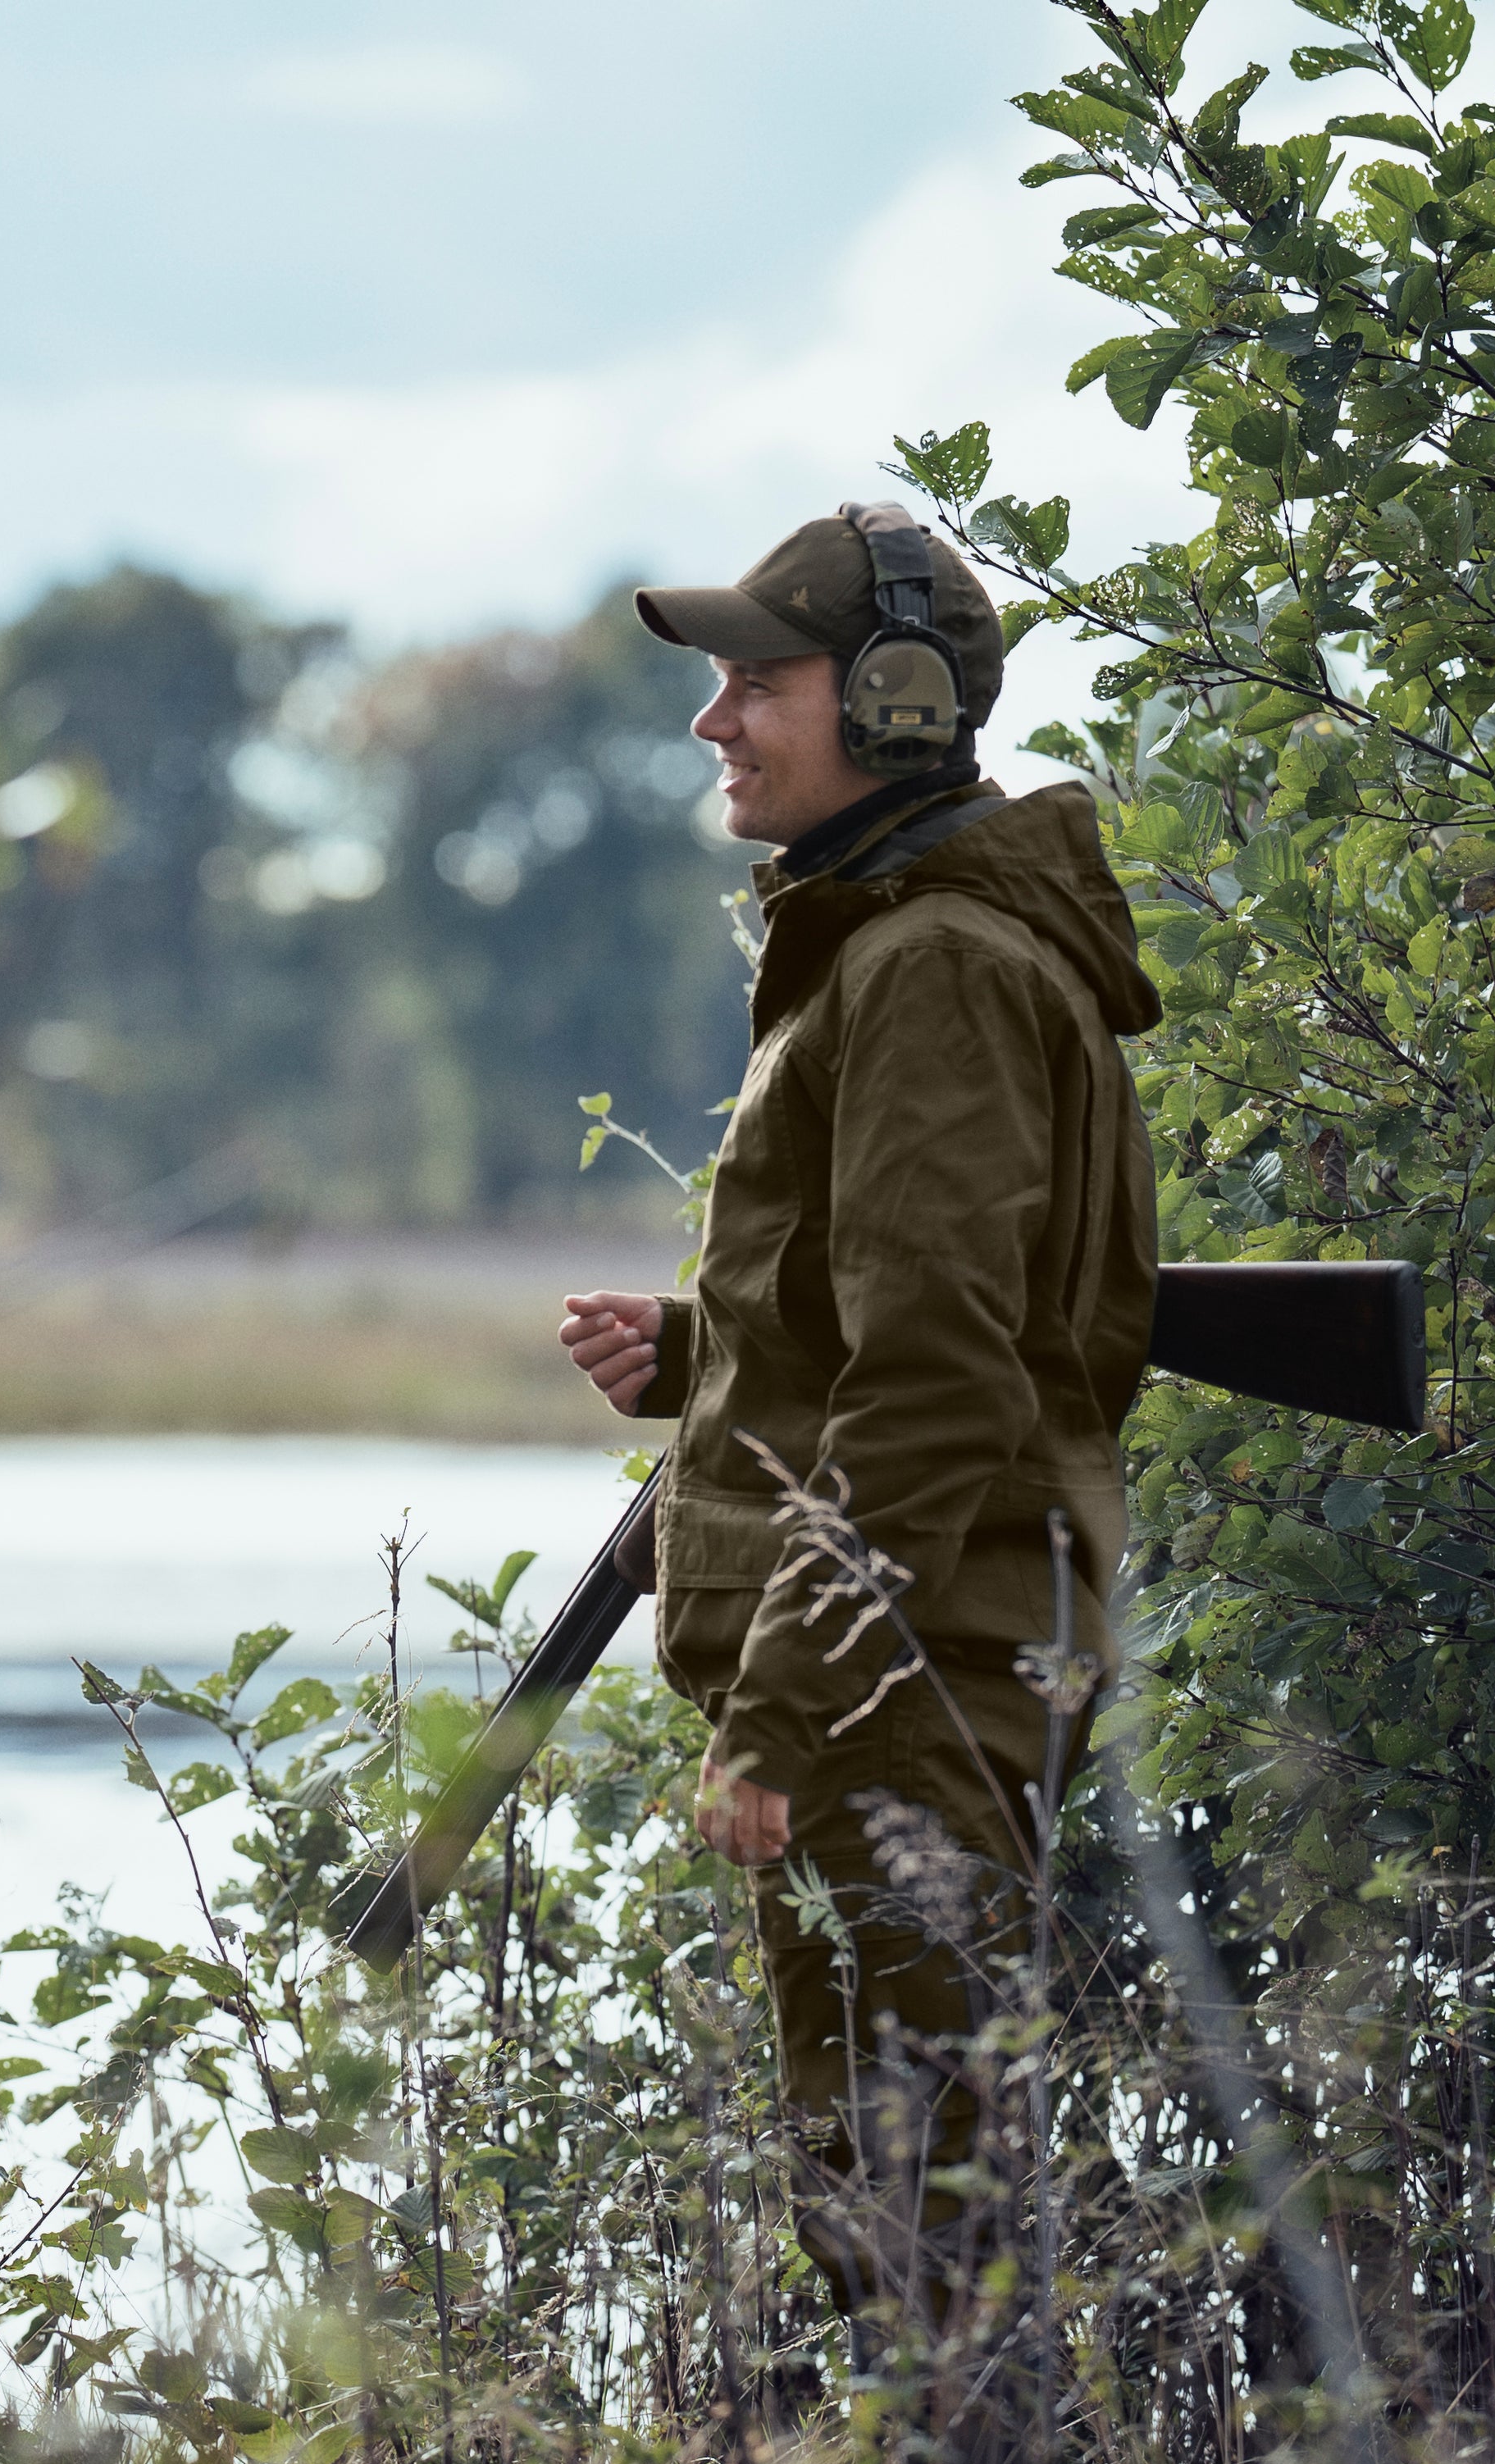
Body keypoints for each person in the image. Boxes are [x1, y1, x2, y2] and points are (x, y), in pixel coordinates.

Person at [556, 502, 1160, 2316]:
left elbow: (942, 1386)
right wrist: (702, 1354)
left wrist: (788, 1714)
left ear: (895, 702)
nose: (713, 722)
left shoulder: (934, 968)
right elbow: (926, 1319)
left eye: (760, 681)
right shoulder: (905, 945)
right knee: (906, 2205)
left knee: (920, 2236)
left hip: (901, 1688)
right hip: (912, 1672)